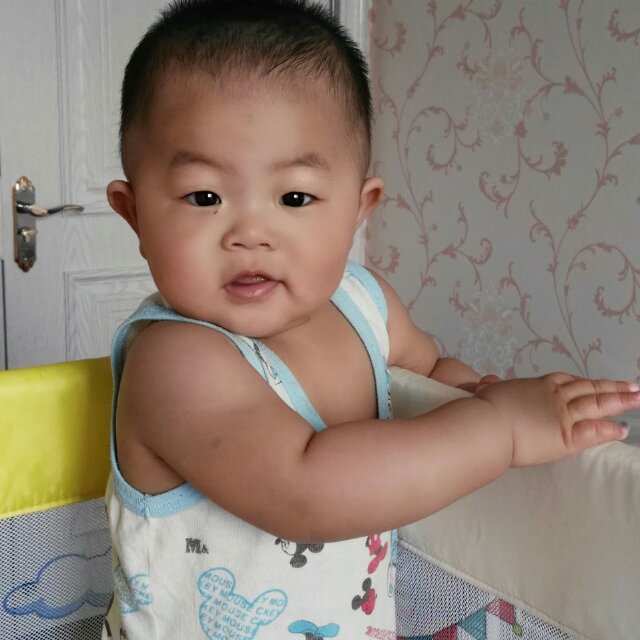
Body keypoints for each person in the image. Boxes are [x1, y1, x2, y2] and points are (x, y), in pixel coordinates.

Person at [101, 1, 639, 637]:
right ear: (134, 215)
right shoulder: (175, 362)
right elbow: (304, 491)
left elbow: (430, 372)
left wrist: (474, 393)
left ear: (360, 209)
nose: (250, 233)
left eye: (294, 197)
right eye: (204, 196)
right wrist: (501, 429)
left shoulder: (365, 304)